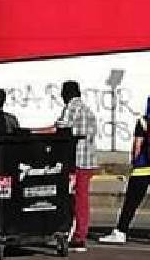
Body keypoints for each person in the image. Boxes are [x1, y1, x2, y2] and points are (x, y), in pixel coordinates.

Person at [99, 93, 150, 246]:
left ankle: (121, 231)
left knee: (131, 202)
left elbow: (137, 145)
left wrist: (134, 161)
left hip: (143, 169)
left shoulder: (143, 122)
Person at [54, 80, 97, 252]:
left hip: (77, 160)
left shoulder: (72, 107)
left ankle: (77, 235)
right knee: (82, 198)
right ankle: (80, 232)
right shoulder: (88, 110)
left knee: (74, 199)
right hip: (88, 160)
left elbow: (62, 127)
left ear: (66, 93)